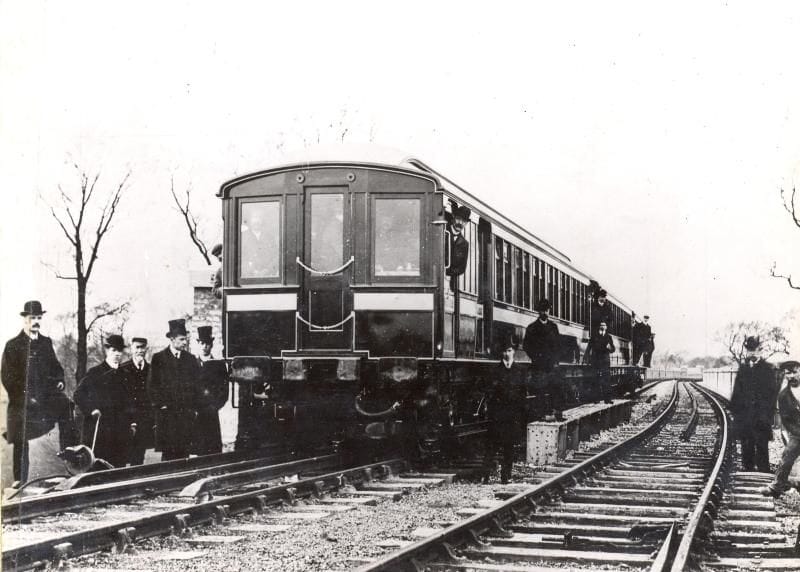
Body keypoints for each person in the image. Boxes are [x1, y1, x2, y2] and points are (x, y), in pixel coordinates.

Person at [2, 300, 68, 484]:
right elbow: (7, 377)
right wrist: (26, 397)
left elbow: (56, 368)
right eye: (32, 318)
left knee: (66, 405)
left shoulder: (46, 343)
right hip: (22, 402)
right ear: (25, 320)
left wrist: (60, 381)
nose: (36, 321)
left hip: (44, 401)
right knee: (20, 437)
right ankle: (19, 480)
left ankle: (70, 455)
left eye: (39, 317)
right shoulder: (12, 345)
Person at [74, 335, 133, 468]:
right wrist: (91, 409)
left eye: (120, 351)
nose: (117, 354)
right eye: (114, 350)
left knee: (118, 468)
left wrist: (131, 421)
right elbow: (78, 394)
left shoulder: (125, 374)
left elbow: (129, 401)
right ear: (107, 350)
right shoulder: (95, 372)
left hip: (119, 430)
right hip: (99, 429)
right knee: (99, 467)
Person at [148, 319, 201, 461]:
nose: (185, 342)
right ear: (172, 339)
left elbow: (197, 386)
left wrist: (193, 408)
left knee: (184, 455)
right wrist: (161, 405)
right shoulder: (158, 358)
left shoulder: (190, 359)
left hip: (185, 417)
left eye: (186, 339)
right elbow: (152, 386)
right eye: (182, 339)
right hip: (167, 417)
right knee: (168, 456)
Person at [730, 336, 779, 473]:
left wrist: (768, 414)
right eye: (749, 350)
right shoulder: (743, 369)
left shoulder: (768, 369)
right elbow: (737, 392)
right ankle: (748, 470)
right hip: (745, 415)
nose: (752, 353)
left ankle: (763, 472)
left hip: (761, 415)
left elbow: (772, 394)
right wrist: (736, 412)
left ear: (760, 351)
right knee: (746, 443)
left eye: (754, 350)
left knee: (762, 444)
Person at [482, 336, 525, 484]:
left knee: (509, 447)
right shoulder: (495, 371)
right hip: (498, 414)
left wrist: (520, 416)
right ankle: (485, 476)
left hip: (512, 415)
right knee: (492, 446)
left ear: (514, 352)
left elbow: (522, 396)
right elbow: (490, 392)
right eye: (504, 351)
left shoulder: (519, 371)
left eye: (509, 351)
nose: (507, 354)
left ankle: (506, 477)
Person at [761, 360, 800, 497]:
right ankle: (776, 487)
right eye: (788, 373)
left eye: (794, 372)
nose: (791, 376)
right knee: (787, 456)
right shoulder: (783, 395)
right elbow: (786, 420)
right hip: (798, 434)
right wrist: (796, 432)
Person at [523, 299, 565, 421]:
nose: (545, 313)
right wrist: (535, 357)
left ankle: (555, 414)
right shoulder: (532, 328)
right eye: (543, 310)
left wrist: (556, 360)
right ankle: (541, 415)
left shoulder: (553, 327)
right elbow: (526, 345)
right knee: (540, 390)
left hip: (552, 365)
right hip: (539, 365)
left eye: (547, 310)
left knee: (555, 389)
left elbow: (558, 345)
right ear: (539, 312)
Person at [193, 326, 229, 455]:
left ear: (211, 345)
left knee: (212, 447)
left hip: (212, 411)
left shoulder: (218, 365)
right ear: (198, 344)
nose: (204, 347)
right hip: (196, 412)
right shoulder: (191, 364)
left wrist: (215, 406)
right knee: (197, 446)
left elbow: (224, 391)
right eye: (202, 343)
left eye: (207, 344)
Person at [120, 337, 153, 465]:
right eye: (137, 347)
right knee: (123, 455)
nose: (140, 350)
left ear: (146, 349)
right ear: (131, 349)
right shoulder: (123, 369)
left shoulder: (151, 369)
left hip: (144, 420)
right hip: (126, 420)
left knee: (139, 456)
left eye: (142, 347)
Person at [584, 321, 616, 403]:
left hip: (605, 361)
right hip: (595, 360)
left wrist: (609, 347)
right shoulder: (594, 336)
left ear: (606, 327)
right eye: (601, 325)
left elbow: (613, 349)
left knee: (606, 380)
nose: (603, 326)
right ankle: (596, 399)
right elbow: (589, 347)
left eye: (604, 325)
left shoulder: (609, 337)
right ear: (599, 327)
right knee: (595, 380)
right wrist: (586, 357)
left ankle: (607, 399)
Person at [446, 203, 471, 278]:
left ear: (466, 223)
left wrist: (448, 274)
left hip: (449, 281)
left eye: (464, 221)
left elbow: (461, 268)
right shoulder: (442, 231)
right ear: (453, 217)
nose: (460, 223)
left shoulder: (464, 244)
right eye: (458, 219)